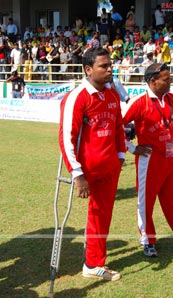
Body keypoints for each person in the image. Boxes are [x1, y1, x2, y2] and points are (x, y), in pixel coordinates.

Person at [59, 47, 126, 281]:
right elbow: (67, 136)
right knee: (97, 214)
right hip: (88, 171)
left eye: (110, 66)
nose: (110, 70)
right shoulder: (77, 97)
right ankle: (93, 263)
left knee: (102, 214)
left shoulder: (112, 94)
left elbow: (118, 128)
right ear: (88, 70)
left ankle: (93, 262)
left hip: (110, 167)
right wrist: (78, 175)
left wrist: (120, 155)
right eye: (103, 66)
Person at [123, 63, 173, 257]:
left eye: (170, 78)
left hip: (172, 159)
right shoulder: (139, 101)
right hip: (150, 160)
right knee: (146, 202)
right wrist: (132, 148)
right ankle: (148, 241)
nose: (170, 82)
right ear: (152, 81)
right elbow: (118, 127)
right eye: (166, 79)